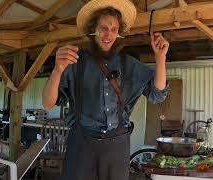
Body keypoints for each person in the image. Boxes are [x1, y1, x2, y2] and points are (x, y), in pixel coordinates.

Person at [42, 0, 169, 179]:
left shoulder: (129, 64)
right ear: (93, 30)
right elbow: (48, 103)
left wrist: (160, 58)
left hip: (117, 148)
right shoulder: (74, 62)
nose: (108, 34)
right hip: (81, 146)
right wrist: (57, 70)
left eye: (114, 29)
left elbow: (157, 95)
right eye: (103, 28)